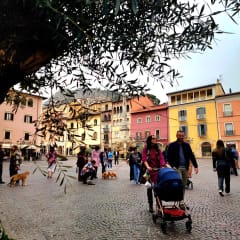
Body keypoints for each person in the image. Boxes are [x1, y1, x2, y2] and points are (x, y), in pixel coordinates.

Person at [166, 130, 198, 200]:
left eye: (182, 136)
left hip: (185, 168)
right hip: (177, 168)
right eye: (180, 136)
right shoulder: (172, 145)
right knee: (179, 183)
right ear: (176, 136)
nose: (181, 137)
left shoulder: (187, 145)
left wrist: (196, 166)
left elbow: (191, 156)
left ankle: (181, 200)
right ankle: (177, 198)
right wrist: (172, 166)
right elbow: (168, 157)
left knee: (183, 185)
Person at [142, 135, 166, 213]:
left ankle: (159, 206)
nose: (155, 139)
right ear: (150, 140)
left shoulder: (157, 149)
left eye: (155, 138)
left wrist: (162, 165)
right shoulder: (146, 148)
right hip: (149, 171)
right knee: (149, 188)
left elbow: (162, 157)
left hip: (157, 171)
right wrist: (148, 166)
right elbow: (144, 158)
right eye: (153, 138)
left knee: (158, 188)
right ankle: (150, 205)